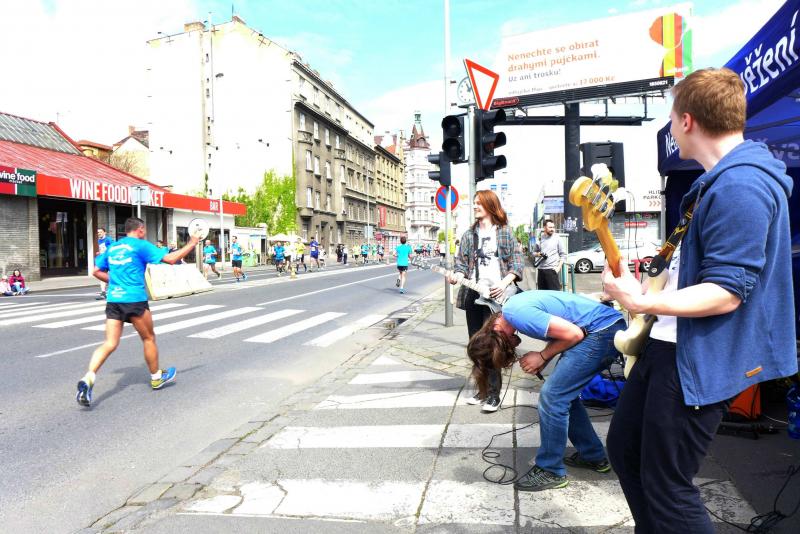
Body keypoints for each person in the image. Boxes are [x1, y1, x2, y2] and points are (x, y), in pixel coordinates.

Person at [601, 68, 798, 533]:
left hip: (697, 357)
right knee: (626, 453)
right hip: (669, 345)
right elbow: (700, 273)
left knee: (668, 485)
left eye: (672, 118)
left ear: (686, 121)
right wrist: (649, 288)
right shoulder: (718, 182)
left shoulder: (741, 186)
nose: (671, 127)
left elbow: (725, 292)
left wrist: (642, 304)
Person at [467, 290, 624, 490]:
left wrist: (542, 356)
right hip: (604, 327)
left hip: (602, 331)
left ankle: (550, 470)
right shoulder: (513, 310)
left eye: (507, 348)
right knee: (564, 396)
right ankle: (592, 455)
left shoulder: (517, 315)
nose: (513, 348)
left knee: (553, 397)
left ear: (497, 332)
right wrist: (543, 358)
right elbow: (566, 332)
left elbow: (574, 334)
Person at [76, 217, 201, 407]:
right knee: (148, 338)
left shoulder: (113, 247)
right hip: (134, 300)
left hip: (114, 300)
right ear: (140, 229)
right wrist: (192, 243)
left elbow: (95, 271)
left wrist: (115, 282)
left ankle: (88, 377)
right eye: (145, 230)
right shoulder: (141, 245)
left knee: (110, 343)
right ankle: (156, 377)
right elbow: (171, 259)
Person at [449, 189, 524, 412]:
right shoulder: (468, 235)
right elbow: (461, 265)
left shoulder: (504, 232)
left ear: (490, 206)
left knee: (492, 346)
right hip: (474, 294)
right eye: (474, 203)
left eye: (479, 203)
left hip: (497, 296)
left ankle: (493, 395)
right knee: (476, 345)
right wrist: (456, 276)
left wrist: (504, 283)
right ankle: (481, 390)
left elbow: (517, 262)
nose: (475, 206)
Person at [533, 219, 566, 290]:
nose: (552, 229)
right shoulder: (540, 238)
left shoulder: (557, 238)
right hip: (541, 270)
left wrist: (558, 268)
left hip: (552, 270)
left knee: (554, 294)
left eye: (553, 227)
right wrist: (538, 254)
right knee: (542, 294)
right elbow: (533, 253)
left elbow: (563, 255)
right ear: (544, 227)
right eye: (550, 227)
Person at [96, 227, 114, 300]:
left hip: (110, 260)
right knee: (102, 276)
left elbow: (113, 248)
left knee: (113, 276)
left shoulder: (108, 239)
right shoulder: (98, 240)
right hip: (103, 261)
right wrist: (99, 253)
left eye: (100, 232)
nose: (99, 233)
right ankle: (103, 293)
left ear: (104, 232)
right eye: (98, 232)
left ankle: (114, 291)